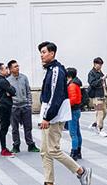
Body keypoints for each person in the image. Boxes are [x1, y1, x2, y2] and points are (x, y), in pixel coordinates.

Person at [37, 42, 91, 185]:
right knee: (44, 151)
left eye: (44, 52)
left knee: (53, 150)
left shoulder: (56, 71)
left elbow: (56, 96)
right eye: (41, 53)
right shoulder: (50, 70)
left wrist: (47, 117)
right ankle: (49, 182)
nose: (41, 55)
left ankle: (81, 171)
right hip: (48, 115)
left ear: (52, 53)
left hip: (54, 116)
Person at [7, 59, 38, 153]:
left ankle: (31, 145)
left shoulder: (24, 78)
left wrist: (29, 104)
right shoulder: (7, 80)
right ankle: (16, 145)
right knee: (14, 128)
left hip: (25, 106)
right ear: (11, 69)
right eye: (15, 66)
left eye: (18, 66)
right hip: (14, 107)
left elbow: (28, 91)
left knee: (28, 127)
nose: (18, 68)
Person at [0, 62, 16, 157]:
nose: (7, 70)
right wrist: (10, 91)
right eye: (5, 69)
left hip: (5, 105)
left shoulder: (2, 80)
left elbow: (11, 91)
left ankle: (4, 148)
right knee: (4, 128)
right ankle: (3, 149)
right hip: (4, 106)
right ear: (0, 71)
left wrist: (10, 91)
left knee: (5, 128)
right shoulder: (2, 81)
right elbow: (13, 91)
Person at [86, 57, 107, 138]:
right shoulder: (91, 73)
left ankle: (95, 124)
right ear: (95, 64)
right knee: (100, 112)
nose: (100, 66)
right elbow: (92, 83)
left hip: (102, 94)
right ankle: (100, 128)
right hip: (96, 95)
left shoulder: (100, 72)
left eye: (101, 65)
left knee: (105, 112)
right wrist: (101, 79)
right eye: (99, 64)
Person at [66, 67, 84, 160]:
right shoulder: (76, 83)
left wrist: (65, 105)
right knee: (77, 132)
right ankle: (79, 151)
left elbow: (72, 99)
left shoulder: (72, 85)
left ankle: (74, 152)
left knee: (73, 133)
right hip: (77, 110)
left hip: (72, 110)